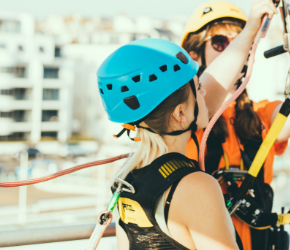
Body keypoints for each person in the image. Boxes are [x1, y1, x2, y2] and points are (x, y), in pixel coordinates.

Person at [96, 1, 278, 249]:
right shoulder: (198, 187)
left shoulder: (125, 181)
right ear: (180, 113)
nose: (206, 93)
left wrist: (250, 31)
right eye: (199, 87)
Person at [183, 1, 290, 249]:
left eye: (242, 43)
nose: (236, 50)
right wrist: (249, 32)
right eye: (221, 43)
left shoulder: (259, 118)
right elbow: (204, 95)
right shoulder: (182, 119)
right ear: (194, 54)